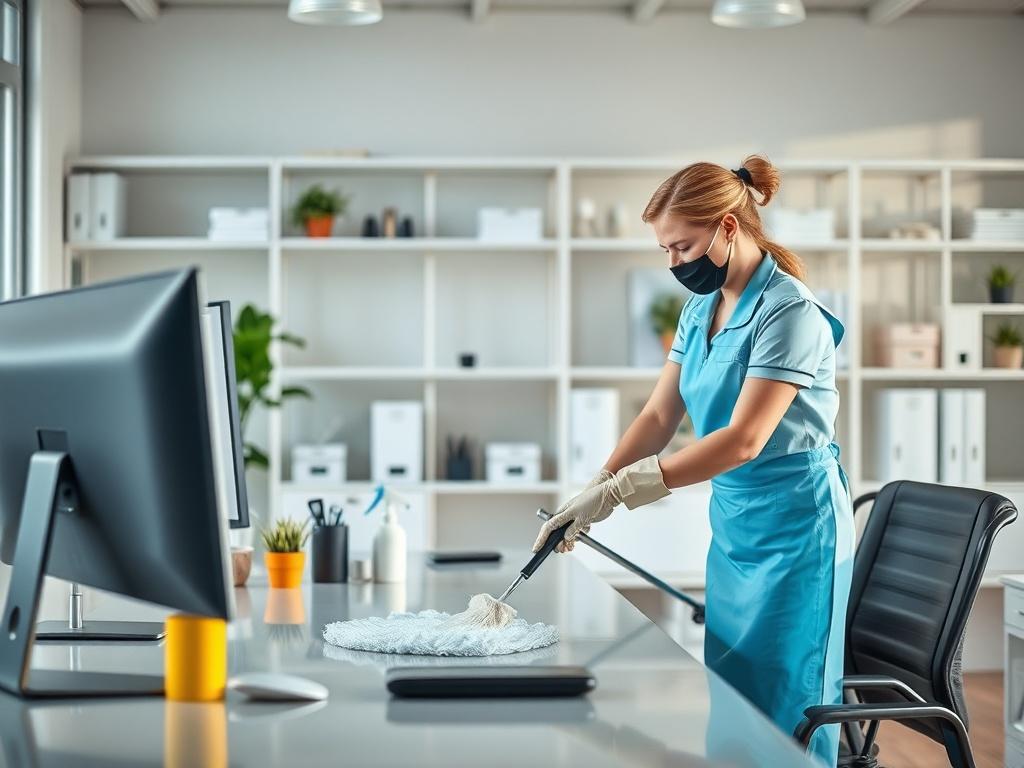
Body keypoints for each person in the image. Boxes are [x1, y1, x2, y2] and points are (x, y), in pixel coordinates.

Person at [533, 156, 855, 767]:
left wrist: (623, 490)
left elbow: (744, 439)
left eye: (682, 246)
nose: (674, 263)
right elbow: (659, 417)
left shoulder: (790, 313)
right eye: (665, 250)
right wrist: (593, 492)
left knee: (788, 707)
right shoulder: (699, 311)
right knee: (734, 703)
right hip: (736, 523)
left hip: (797, 529)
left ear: (729, 227)